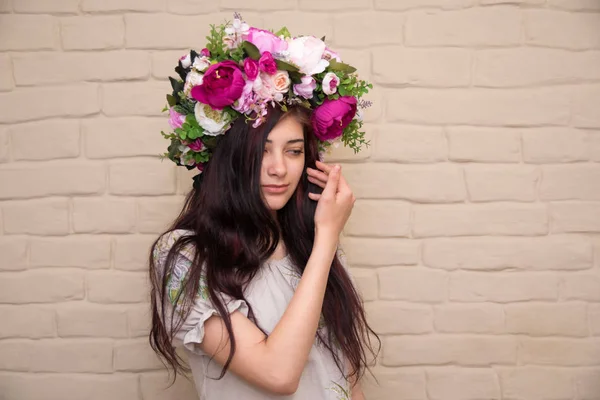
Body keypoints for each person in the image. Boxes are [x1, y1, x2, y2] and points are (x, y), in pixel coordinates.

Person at [148, 14, 380, 400]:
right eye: (262, 151)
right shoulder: (185, 256)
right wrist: (327, 236)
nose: (278, 169)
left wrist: (322, 241)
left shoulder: (310, 243)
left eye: (294, 151)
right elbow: (278, 374)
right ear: (231, 158)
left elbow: (342, 369)